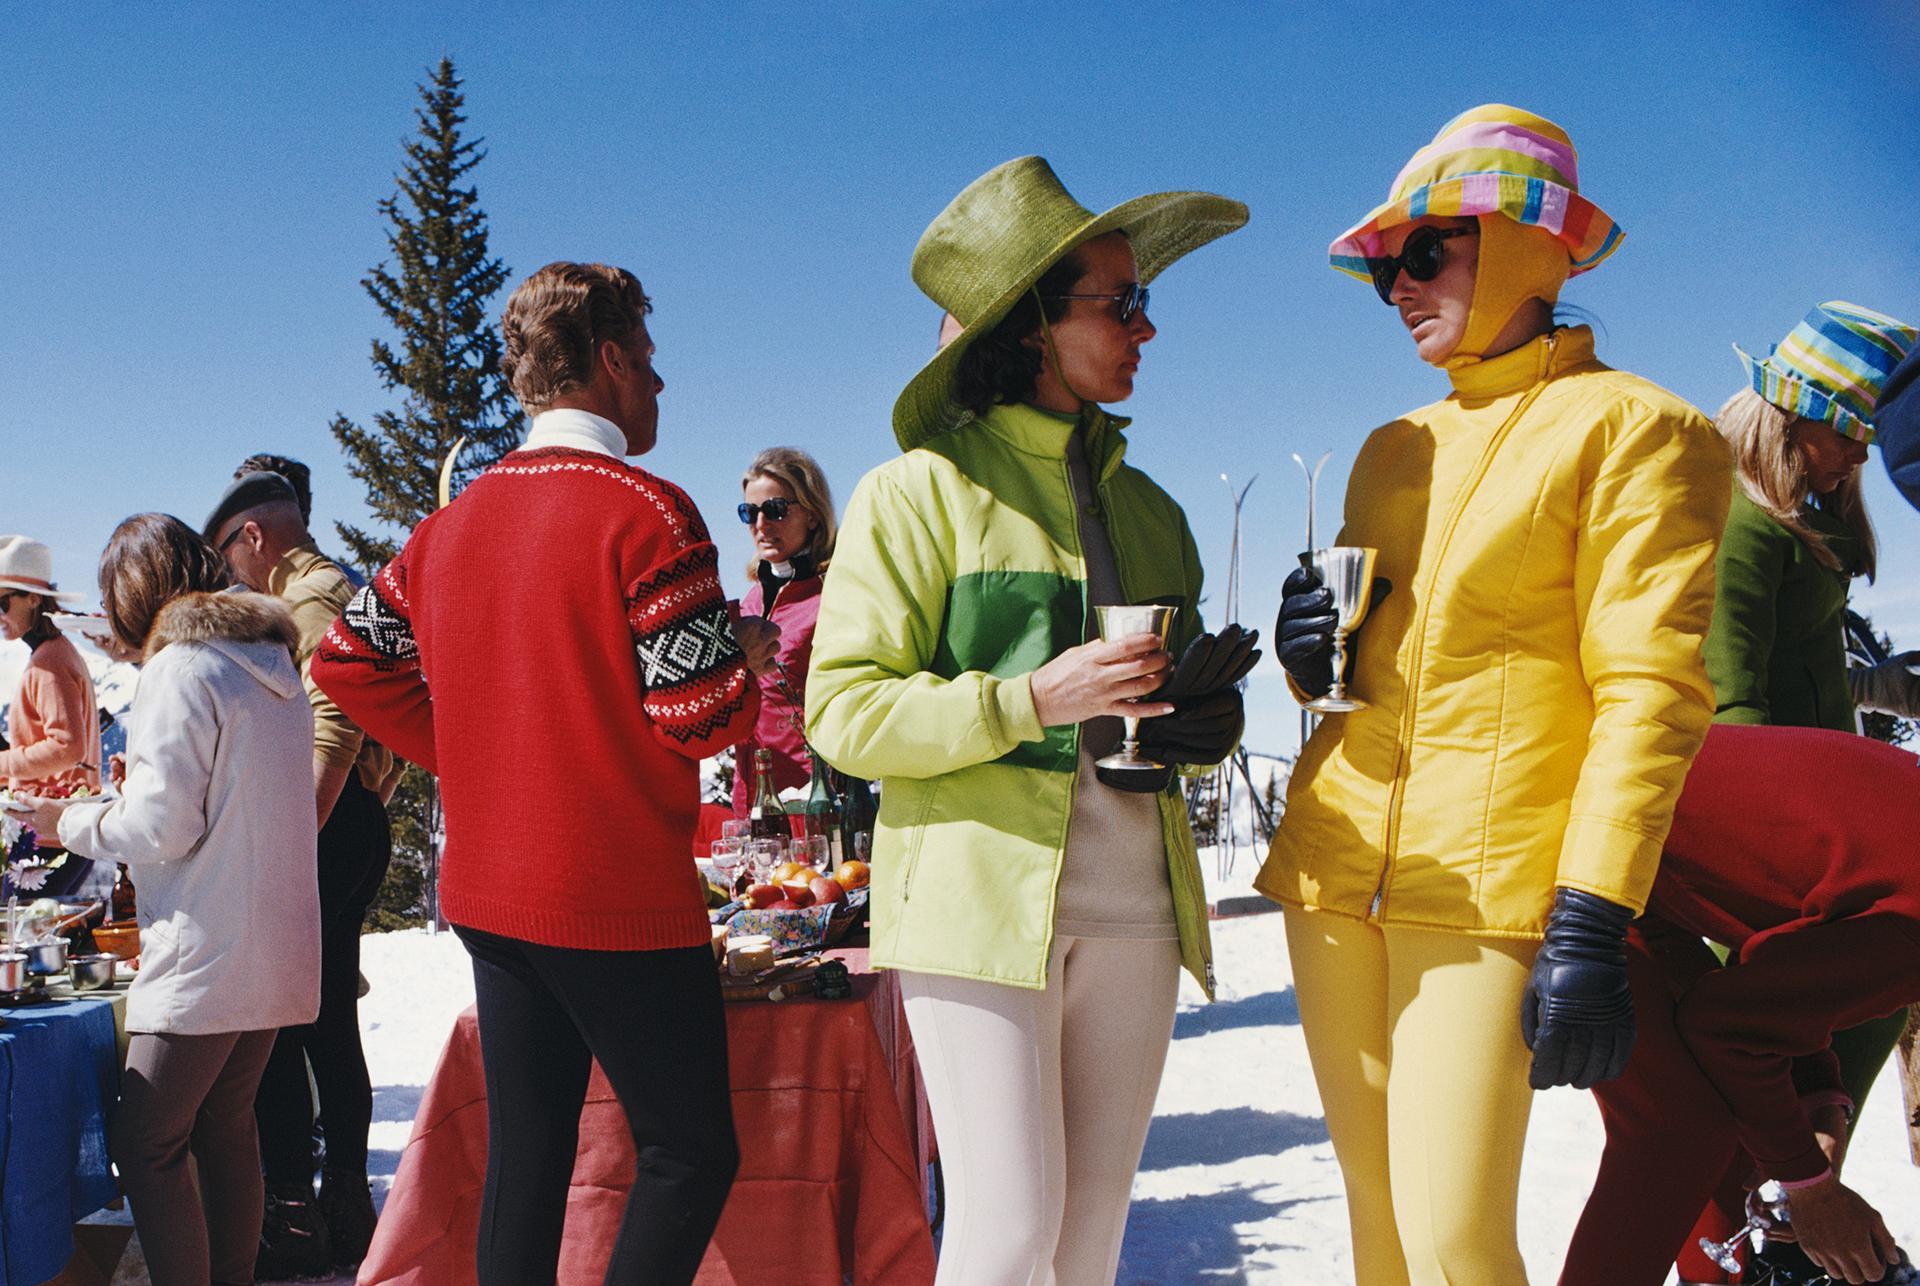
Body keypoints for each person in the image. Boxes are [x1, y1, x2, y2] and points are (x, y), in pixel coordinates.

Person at [1255, 105, 1732, 1283]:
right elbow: (1360, 674)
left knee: (1456, 1236)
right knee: (1378, 1229)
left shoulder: (1641, 431)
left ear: (1525, 245)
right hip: (1334, 862)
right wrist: (1306, 652)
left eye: (1426, 253)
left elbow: (1652, 694)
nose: (1400, 288)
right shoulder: (1389, 447)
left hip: (1494, 882)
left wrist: (1591, 914)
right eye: (1384, 271)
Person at [807, 156, 1252, 1285]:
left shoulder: (1151, 507)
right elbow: (844, 711)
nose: (1147, 327)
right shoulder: (914, 491)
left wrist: (1208, 717)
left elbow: (1171, 698)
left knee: (1091, 1238)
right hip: (973, 901)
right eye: (1122, 301)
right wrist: (1032, 697)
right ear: (1029, 323)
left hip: (1136, 907)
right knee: (1007, 1233)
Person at [312, 260, 779, 1286]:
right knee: (691, 1149)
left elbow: (346, 655)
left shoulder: (450, 524)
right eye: (650, 363)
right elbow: (698, 719)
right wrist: (739, 660)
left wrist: (478, 759)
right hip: (614, 889)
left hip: (491, 888)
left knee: (527, 1157)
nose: (660, 386)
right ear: (609, 360)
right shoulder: (650, 511)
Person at [7, 513, 320, 1286]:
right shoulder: (268, 660)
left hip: (208, 945)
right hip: (273, 943)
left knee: (146, 1139)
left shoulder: (181, 668)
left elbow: (163, 824)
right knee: (225, 1126)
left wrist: (66, 819)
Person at [1562, 724, 1918, 1286]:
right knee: (1677, 1131)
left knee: (1739, 1121)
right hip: (1562, 840)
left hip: (1627, 849)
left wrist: (1820, 1106)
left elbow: (1771, 975)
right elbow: (1727, 1026)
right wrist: (1811, 1189)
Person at [202, 468, 396, 1272]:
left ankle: (296, 1215)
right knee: (325, 1023)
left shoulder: (310, 594)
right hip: (349, 821)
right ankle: (344, 1205)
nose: (229, 573)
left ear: (253, 535)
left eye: (228, 554)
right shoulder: (338, 584)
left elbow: (334, 721)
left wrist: (295, 836)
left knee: (281, 1024)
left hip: (320, 822)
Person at [730, 446, 836, 815]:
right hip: (751, 798)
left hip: (815, 800)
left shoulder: (837, 596)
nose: (761, 525)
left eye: (774, 510)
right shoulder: (747, 604)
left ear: (811, 513)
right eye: (749, 512)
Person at [0, 535, 101, 898]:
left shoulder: (49, 660)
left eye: (3, 602)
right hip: (63, 829)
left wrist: (3, 764)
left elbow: (66, 746)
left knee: (16, 938)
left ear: (33, 599)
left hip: (48, 833)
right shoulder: (58, 652)